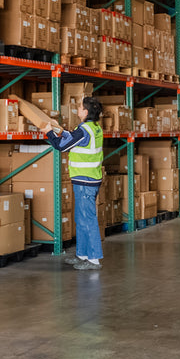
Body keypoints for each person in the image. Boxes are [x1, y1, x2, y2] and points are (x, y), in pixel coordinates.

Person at [41, 96, 104, 271]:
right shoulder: (94, 128)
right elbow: (73, 138)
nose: (77, 109)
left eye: (79, 107)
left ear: (85, 111)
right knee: (81, 218)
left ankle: (94, 260)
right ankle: (83, 255)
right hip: (88, 179)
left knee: (88, 219)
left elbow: (62, 146)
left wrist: (49, 132)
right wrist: (59, 129)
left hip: (85, 180)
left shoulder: (84, 130)